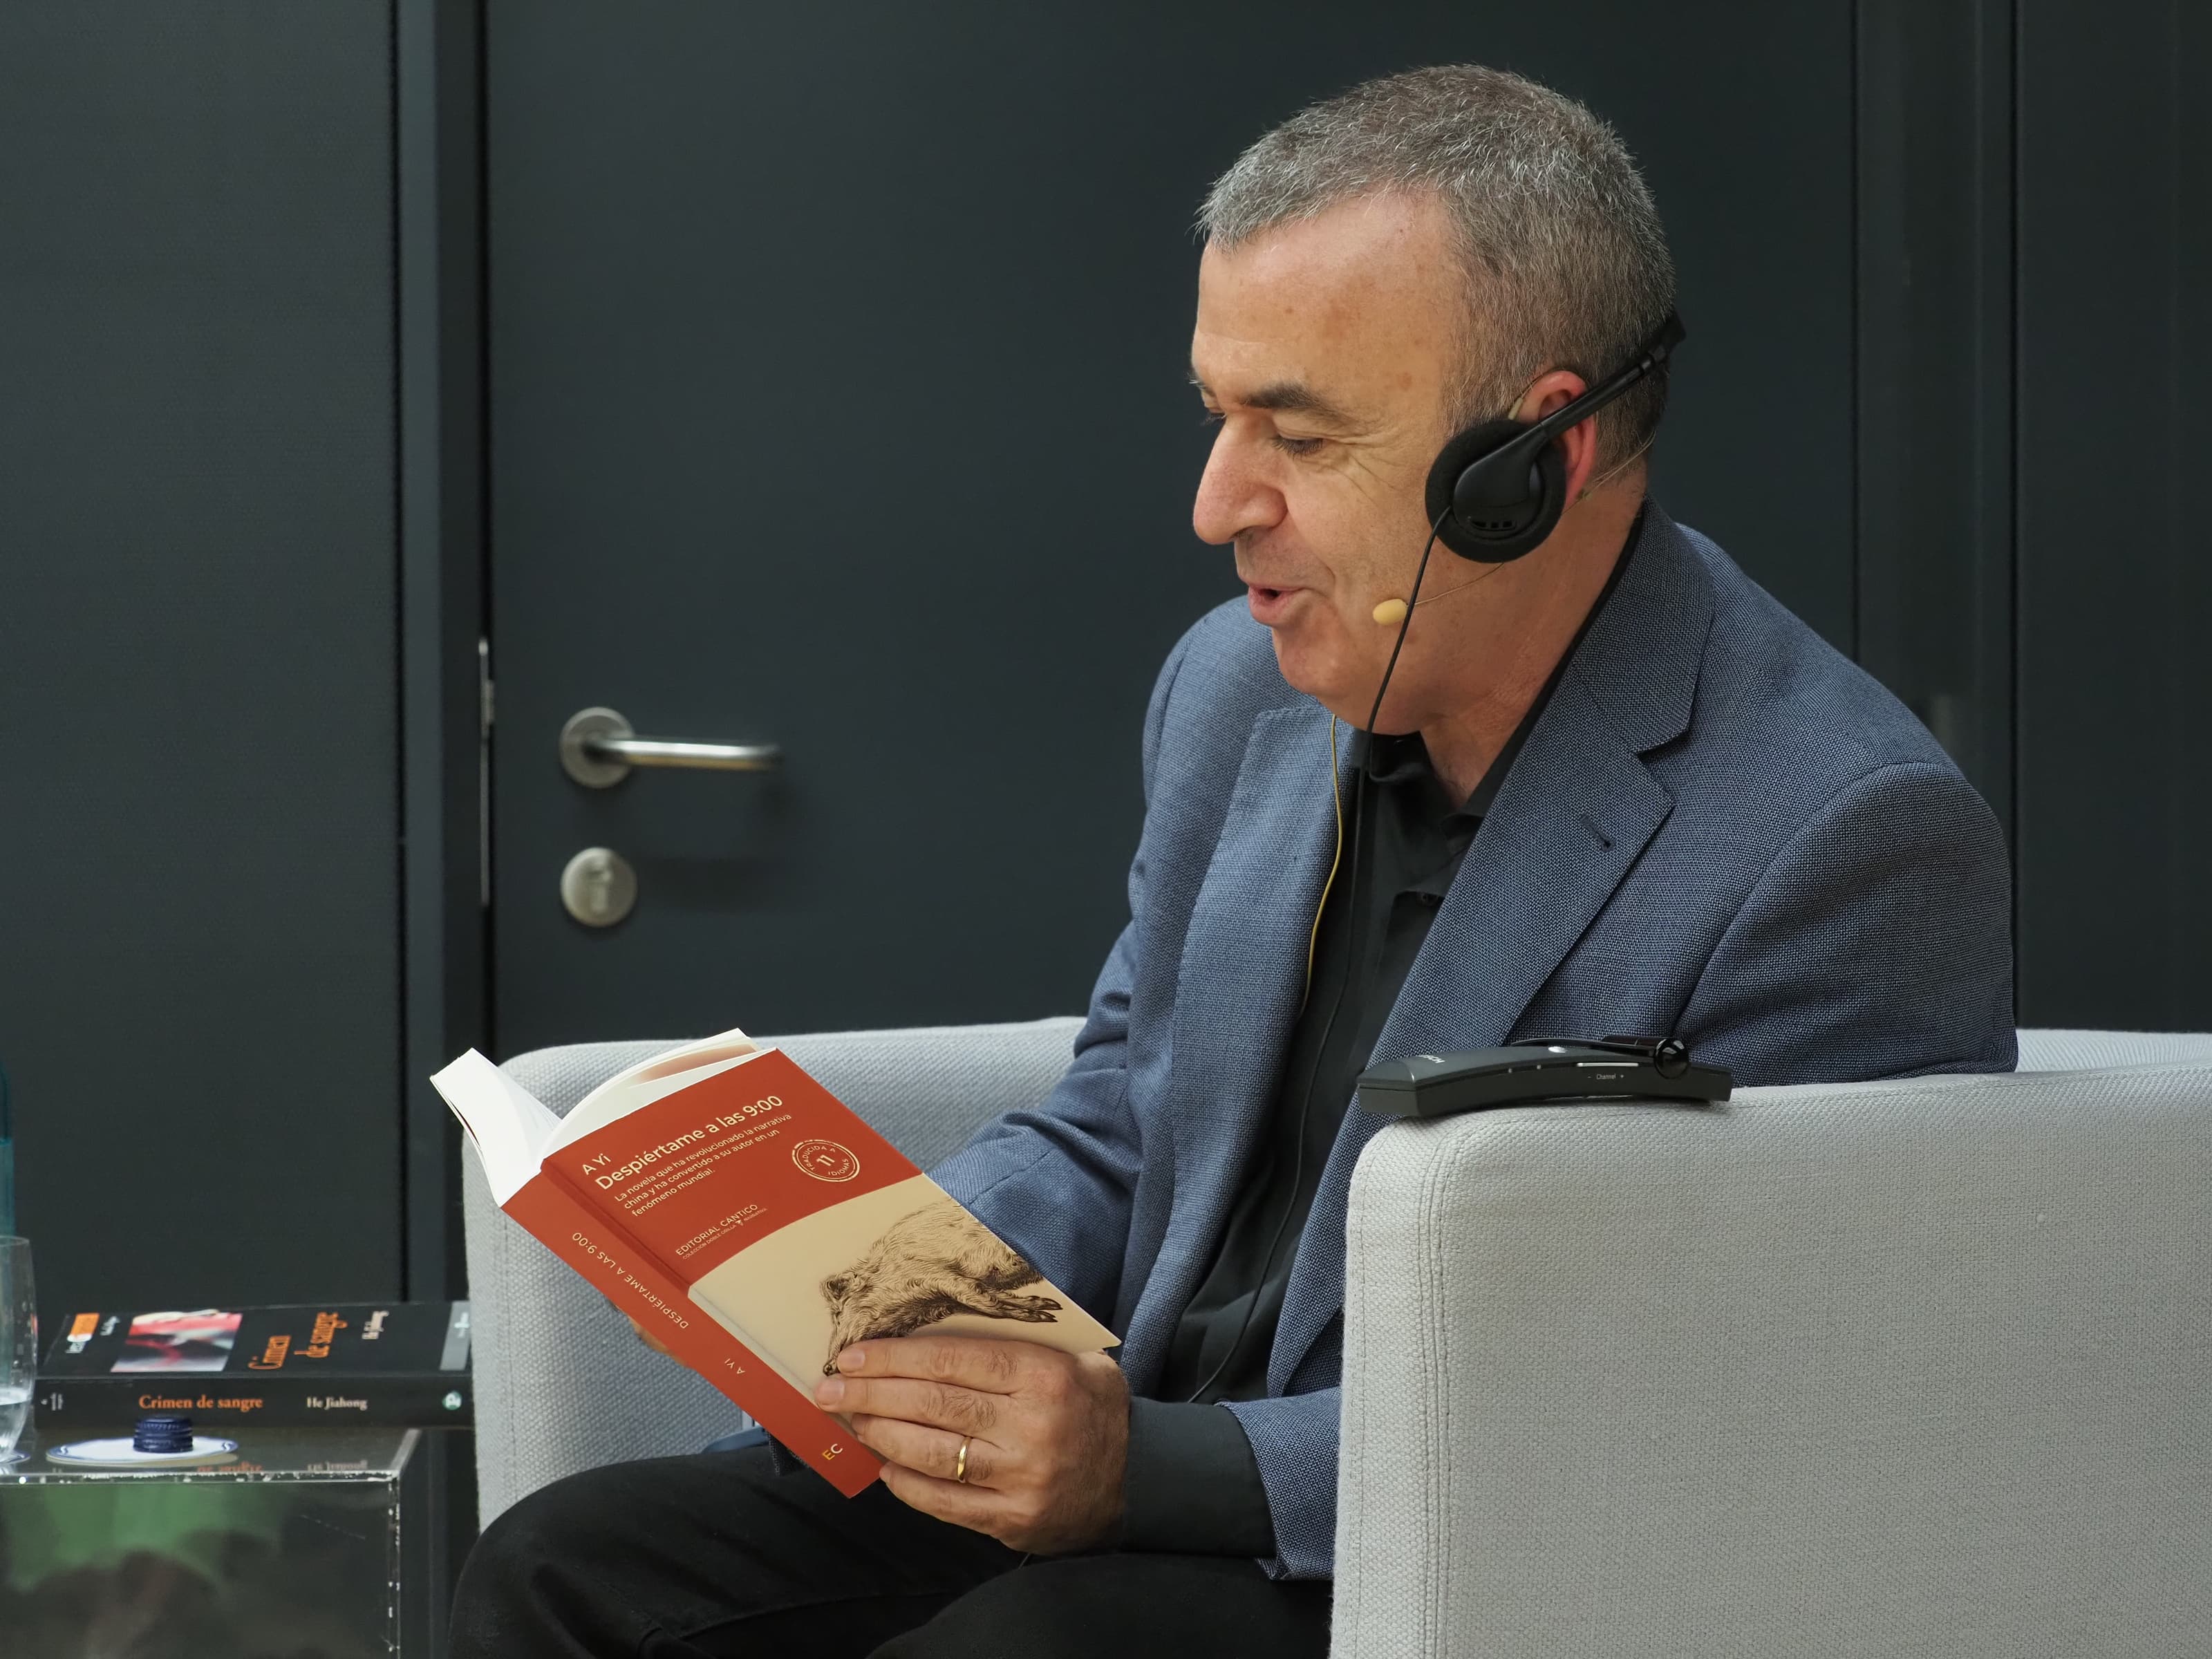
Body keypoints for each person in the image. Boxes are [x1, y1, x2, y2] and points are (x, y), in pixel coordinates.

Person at [450, 64, 2014, 1658]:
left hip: (1429, 1563)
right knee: (570, 1567)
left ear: (1528, 466)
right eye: (1218, 415)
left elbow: (1728, 1399)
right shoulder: (1235, 689)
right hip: (1125, 1488)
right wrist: (867, 1303)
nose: (1216, 507)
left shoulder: (1841, 840)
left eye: (1299, 435)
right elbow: (1129, 1115)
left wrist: (1161, 1475)